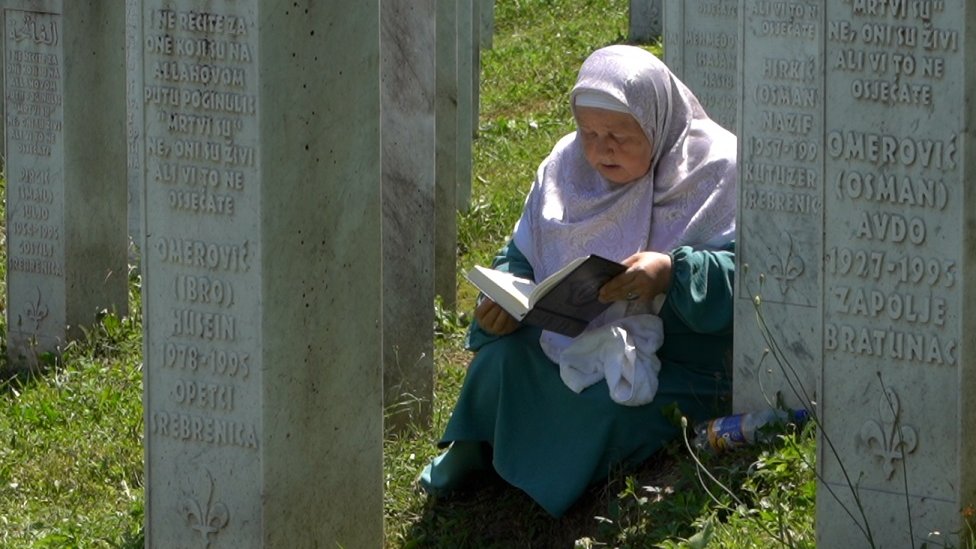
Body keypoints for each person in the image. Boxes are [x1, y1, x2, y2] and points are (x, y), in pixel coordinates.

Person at [419, 45, 737, 518]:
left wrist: (670, 273)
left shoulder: (717, 171)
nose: (601, 148)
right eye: (589, 132)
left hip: (675, 352)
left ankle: (538, 483)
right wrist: (507, 295)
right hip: (571, 334)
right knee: (498, 361)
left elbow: (752, 274)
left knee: (605, 404)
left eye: (619, 135)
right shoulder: (566, 167)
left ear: (658, 122)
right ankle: (476, 451)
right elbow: (523, 253)